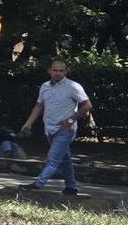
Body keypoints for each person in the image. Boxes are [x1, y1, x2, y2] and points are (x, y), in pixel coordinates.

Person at [17, 59, 92, 196]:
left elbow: (87, 105)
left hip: (65, 129)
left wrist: (70, 120)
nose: (58, 73)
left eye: (61, 71)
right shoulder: (45, 86)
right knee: (64, 159)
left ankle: (38, 184)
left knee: (53, 159)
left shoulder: (73, 86)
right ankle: (71, 187)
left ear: (66, 72)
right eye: (55, 70)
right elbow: (39, 106)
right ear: (50, 71)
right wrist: (28, 123)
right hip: (49, 128)